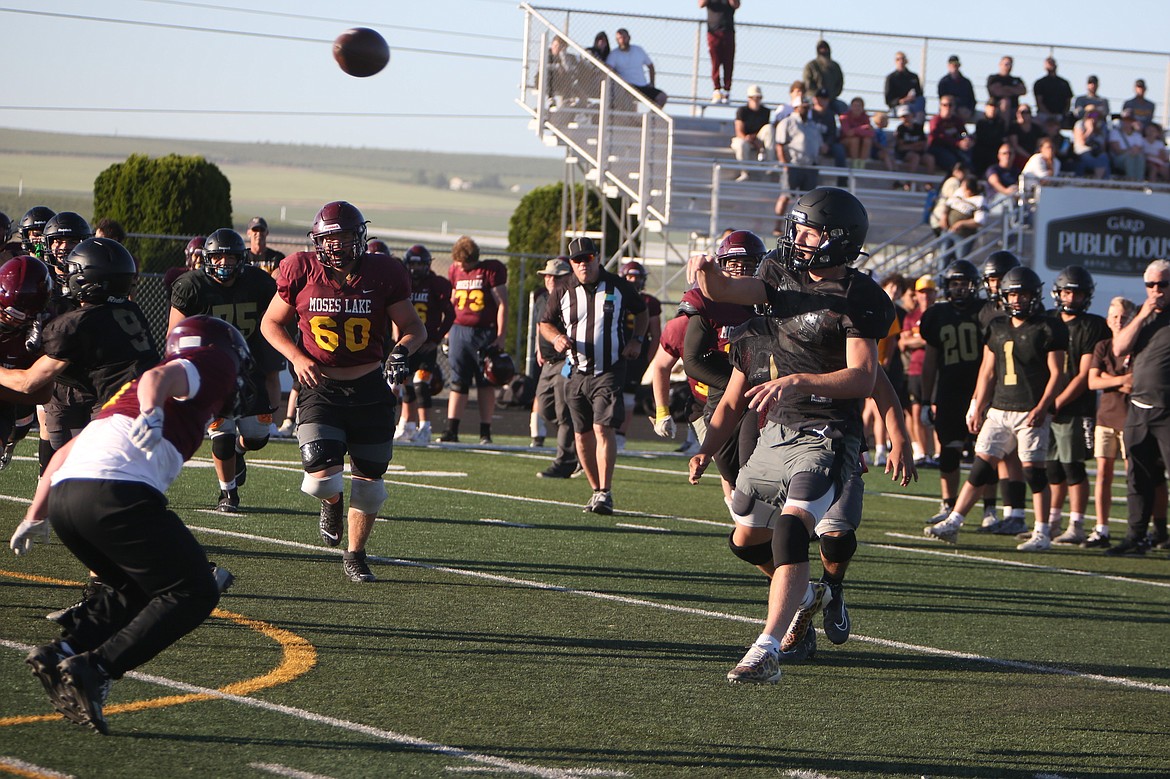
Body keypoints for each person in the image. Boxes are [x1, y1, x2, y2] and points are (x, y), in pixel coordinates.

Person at [685, 187, 896, 683]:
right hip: (775, 430)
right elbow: (724, 293)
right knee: (745, 538)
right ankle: (809, 594)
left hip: (826, 431)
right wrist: (707, 270)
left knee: (791, 531)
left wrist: (801, 381)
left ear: (838, 240)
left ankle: (767, 648)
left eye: (808, 231)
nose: (796, 238)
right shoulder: (780, 276)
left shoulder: (861, 297)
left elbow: (866, 378)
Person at [10, 315, 252, 735]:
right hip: (115, 493)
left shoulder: (126, 393)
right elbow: (160, 376)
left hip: (69, 497)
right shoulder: (212, 362)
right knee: (195, 590)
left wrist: (36, 515)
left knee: (135, 589)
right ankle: (97, 668)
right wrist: (154, 411)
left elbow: (66, 451)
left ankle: (63, 650)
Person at [260, 200, 426, 583]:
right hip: (321, 386)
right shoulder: (299, 269)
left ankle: (355, 554)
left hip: (370, 387)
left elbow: (414, 328)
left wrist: (400, 351)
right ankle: (332, 503)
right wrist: (297, 358)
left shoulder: (383, 272)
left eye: (345, 237)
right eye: (329, 238)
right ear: (318, 241)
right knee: (320, 477)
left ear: (361, 237)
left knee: (370, 485)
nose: (337, 245)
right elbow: (271, 324)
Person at [925, 266, 1068, 550]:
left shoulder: (1048, 327)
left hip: (1030, 408)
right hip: (1000, 407)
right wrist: (977, 404)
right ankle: (954, 522)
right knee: (980, 467)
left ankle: (1042, 532)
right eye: (1013, 294)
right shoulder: (997, 326)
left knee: (1033, 471)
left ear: (1035, 295)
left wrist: (1043, 406)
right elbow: (987, 371)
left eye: (1023, 294)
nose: (1018, 300)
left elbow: (1058, 374)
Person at [0, 238, 157, 466]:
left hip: (121, 411)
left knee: (85, 474)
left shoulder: (73, 325)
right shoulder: (131, 310)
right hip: (153, 405)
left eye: (74, 270)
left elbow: (28, 383)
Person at [168, 227, 281, 513]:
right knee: (223, 430)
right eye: (217, 258)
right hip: (211, 369)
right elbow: (174, 332)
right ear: (206, 259)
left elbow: (276, 316)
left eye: (230, 258)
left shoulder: (257, 282)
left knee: (257, 436)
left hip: (248, 365)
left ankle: (240, 452)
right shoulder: (191, 286)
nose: (224, 264)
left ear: (241, 259)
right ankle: (227, 494)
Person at [538, 237, 647, 515]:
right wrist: (557, 338)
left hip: (609, 369)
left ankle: (605, 491)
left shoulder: (619, 286)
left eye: (587, 258)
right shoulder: (563, 289)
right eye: (577, 260)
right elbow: (545, 323)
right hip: (576, 370)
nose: (582, 264)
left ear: (597, 258)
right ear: (571, 264)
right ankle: (595, 489)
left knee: (603, 427)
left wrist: (636, 340)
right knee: (582, 434)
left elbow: (642, 311)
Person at [1036, 267, 1110, 546]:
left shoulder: (1092, 325)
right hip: (1049, 405)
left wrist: (1055, 402)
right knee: (1052, 468)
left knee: (1072, 467)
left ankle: (1076, 524)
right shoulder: (1049, 320)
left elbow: (1083, 373)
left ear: (1086, 295)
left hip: (1075, 407)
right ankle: (1053, 521)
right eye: (1067, 291)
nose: (1071, 297)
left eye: (1076, 292)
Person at [920, 259, 995, 526]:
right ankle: (948, 503)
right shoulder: (937, 315)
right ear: (946, 286)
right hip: (949, 392)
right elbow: (930, 362)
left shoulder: (986, 310)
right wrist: (926, 400)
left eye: (965, 284)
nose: (961, 289)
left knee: (986, 453)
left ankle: (990, 508)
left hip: (980, 391)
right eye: (955, 284)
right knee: (949, 452)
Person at [1107, 260, 1170, 555]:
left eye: (1163, 285)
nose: (1156, 291)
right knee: (1137, 476)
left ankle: (1160, 533)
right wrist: (1144, 311)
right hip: (1139, 409)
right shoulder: (1142, 318)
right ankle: (1136, 537)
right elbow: (1119, 348)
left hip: (1168, 411)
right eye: (1151, 285)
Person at [441, 235, 507, 444]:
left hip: (484, 332)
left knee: (485, 382)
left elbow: (502, 304)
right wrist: (446, 331)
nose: (459, 265)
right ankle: (452, 430)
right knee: (458, 381)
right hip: (459, 330)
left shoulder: (490, 271)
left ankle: (485, 432)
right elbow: (452, 300)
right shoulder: (454, 270)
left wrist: (500, 336)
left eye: (462, 262)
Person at [1086, 297, 1138, 548]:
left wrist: (1109, 376)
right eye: (1115, 317)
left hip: (1132, 420)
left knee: (1134, 477)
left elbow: (1136, 381)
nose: (1118, 321)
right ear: (1108, 319)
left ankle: (1136, 529)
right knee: (1103, 475)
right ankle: (1101, 528)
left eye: (1124, 317)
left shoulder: (1138, 346)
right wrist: (1118, 380)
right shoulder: (1103, 346)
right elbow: (1093, 382)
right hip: (1105, 418)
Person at [393, 245, 454, 445]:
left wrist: (436, 339)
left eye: (420, 264)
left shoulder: (436, 284)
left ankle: (425, 427)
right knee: (406, 384)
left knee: (421, 384)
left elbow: (450, 314)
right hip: (408, 343)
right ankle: (407, 425)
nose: (416, 268)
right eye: (413, 264)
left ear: (427, 265)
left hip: (426, 344)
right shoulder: (403, 283)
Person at [532, 257, 579, 479]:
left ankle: (566, 460)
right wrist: (538, 348)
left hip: (565, 361)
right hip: (547, 362)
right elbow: (540, 325)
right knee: (545, 407)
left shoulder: (572, 298)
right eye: (547, 275)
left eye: (555, 276)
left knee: (563, 412)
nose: (549, 279)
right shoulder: (542, 297)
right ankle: (578, 444)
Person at [616, 260, 662, 450]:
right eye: (630, 276)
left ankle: (619, 436)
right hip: (614, 352)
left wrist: (650, 362)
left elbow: (656, 334)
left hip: (637, 357)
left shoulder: (650, 302)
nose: (633, 280)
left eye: (636, 276)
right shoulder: (616, 297)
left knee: (627, 397)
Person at [900, 275, 937, 466]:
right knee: (915, 411)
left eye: (929, 292)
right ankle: (922, 452)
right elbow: (903, 342)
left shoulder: (939, 312)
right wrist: (925, 339)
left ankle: (937, 452)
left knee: (935, 409)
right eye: (922, 292)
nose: (925, 296)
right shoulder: (911, 316)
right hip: (915, 369)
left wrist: (919, 340)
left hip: (935, 368)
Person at [771, 99, 825, 232]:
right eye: (803, 107)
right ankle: (777, 226)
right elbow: (780, 144)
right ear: (796, 107)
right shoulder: (787, 122)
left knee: (807, 200)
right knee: (785, 195)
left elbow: (819, 144)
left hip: (810, 166)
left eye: (807, 107)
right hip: (793, 164)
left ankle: (802, 228)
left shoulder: (812, 125)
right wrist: (784, 164)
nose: (806, 110)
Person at [606, 28, 667, 109]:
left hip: (643, 86)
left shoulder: (638, 50)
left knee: (662, 97)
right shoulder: (614, 54)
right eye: (620, 38)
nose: (622, 40)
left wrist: (652, 83)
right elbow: (608, 70)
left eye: (624, 37)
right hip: (627, 88)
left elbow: (651, 66)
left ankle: (651, 119)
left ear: (629, 37)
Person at [730, 84, 774, 180]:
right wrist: (748, 138)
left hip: (757, 138)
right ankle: (744, 172)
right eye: (754, 98)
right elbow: (739, 131)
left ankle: (771, 163)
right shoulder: (742, 111)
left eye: (759, 98)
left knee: (769, 128)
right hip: (745, 138)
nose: (757, 100)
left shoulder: (765, 111)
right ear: (749, 98)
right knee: (741, 144)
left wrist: (756, 141)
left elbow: (765, 130)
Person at [699, 0, 739, 104]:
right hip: (713, 31)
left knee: (728, 62)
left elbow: (736, 5)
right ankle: (716, 89)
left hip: (728, 31)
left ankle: (726, 90)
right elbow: (701, 4)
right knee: (715, 62)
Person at [938, 174, 986, 260]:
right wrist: (943, 217)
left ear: (970, 190)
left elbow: (980, 221)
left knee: (960, 260)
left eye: (964, 187)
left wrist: (961, 223)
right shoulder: (959, 192)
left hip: (963, 235)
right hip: (948, 230)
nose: (962, 188)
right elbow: (948, 205)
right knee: (943, 257)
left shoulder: (979, 200)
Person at [926, 95, 973, 171]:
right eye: (944, 105)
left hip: (952, 148)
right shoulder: (936, 120)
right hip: (938, 147)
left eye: (950, 105)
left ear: (954, 107)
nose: (947, 107)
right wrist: (958, 143)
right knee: (952, 161)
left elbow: (963, 132)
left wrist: (966, 139)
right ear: (940, 106)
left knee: (967, 159)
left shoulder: (956, 120)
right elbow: (939, 136)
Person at [802, 40, 844, 114]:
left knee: (843, 107)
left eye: (825, 48)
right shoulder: (811, 65)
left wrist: (829, 97)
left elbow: (840, 84)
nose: (823, 50)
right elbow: (807, 84)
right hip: (813, 98)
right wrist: (818, 97)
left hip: (831, 98)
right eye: (821, 48)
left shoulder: (835, 66)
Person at [810, 87, 847, 168]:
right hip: (811, 144)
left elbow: (832, 133)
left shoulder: (830, 115)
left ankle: (842, 178)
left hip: (826, 145)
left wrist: (827, 144)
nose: (822, 101)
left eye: (825, 99)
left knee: (839, 149)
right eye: (820, 98)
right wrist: (818, 144)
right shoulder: (809, 114)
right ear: (814, 99)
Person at [1032, 57, 1073, 127]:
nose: (1051, 65)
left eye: (1052, 63)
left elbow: (1068, 101)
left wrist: (1063, 114)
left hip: (1060, 115)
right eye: (1049, 63)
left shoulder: (1064, 83)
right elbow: (1039, 102)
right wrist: (1050, 115)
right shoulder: (1040, 83)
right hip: (1044, 115)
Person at [893, 105, 932, 177]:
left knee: (930, 159)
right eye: (903, 116)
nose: (906, 118)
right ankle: (909, 182)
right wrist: (914, 146)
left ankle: (929, 184)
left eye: (907, 115)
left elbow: (923, 143)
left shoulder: (918, 127)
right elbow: (901, 147)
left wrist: (910, 146)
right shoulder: (900, 129)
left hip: (920, 152)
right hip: (904, 154)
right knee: (915, 157)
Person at [1109, 109, 1147, 181]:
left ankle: (1139, 181)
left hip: (1135, 157)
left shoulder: (1137, 135)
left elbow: (1140, 149)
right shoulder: (1115, 133)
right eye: (1125, 120)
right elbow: (1117, 150)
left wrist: (1133, 151)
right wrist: (1130, 151)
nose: (1127, 123)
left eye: (1129, 121)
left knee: (1139, 157)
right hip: (1119, 160)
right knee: (1130, 157)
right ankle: (1131, 180)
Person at [884, 51, 924, 119]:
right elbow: (888, 99)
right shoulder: (891, 78)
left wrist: (912, 98)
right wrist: (901, 100)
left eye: (903, 59)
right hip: (898, 106)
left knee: (921, 105)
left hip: (913, 104)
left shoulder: (913, 76)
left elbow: (919, 93)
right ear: (895, 61)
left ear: (906, 61)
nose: (901, 61)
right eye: (898, 59)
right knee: (906, 111)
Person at [839, 97, 875, 169]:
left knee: (867, 140)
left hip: (860, 142)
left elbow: (871, 133)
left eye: (859, 106)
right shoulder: (845, 117)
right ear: (851, 107)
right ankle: (855, 164)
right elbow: (848, 133)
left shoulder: (865, 117)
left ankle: (861, 164)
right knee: (855, 140)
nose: (857, 108)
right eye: (855, 106)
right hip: (845, 142)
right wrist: (862, 129)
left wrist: (856, 131)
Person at [1072, 111, 1111, 179]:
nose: (1093, 118)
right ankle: (1096, 180)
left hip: (1097, 150)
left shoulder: (1102, 126)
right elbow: (1081, 143)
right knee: (1095, 160)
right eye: (1090, 115)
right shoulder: (1080, 124)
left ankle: (1103, 181)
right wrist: (1090, 130)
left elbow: (1103, 146)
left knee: (1104, 157)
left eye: (1095, 115)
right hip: (1083, 150)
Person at [937, 55, 976, 120]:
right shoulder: (943, 82)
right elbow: (943, 99)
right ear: (948, 66)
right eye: (952, 65)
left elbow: (972, 100)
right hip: (950, 109)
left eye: (956, 65)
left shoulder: (966, 82)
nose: (954, 67)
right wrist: (955, 108)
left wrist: (970, 110)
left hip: (965, 110)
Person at [1008, 103, 1044, 171]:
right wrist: (1028, 157)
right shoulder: (1013, 127)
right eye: (1021, 112)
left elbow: (1039, 144)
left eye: (1026, 112)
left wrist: (1034, 156)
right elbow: (1015, 145)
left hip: (1034, 156)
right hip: (1019, 156)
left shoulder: (1036, 128)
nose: (1023, 114)